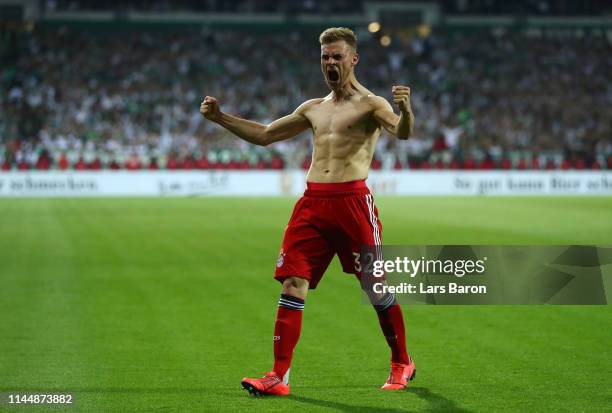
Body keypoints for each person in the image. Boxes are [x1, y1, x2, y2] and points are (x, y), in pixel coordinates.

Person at [200, 27, 415, 396]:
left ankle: (401, 362)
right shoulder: (313, 108)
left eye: (337, 56)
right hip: (312, 204)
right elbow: (266, 134)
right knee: (292, 282)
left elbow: (403, 133)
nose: (330, 62)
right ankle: (279, 377)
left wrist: (406, 110)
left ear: (353, 59)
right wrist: (221, 117)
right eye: (325, 57)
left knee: (375, 287)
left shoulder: (372, 104)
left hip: (353, 204)